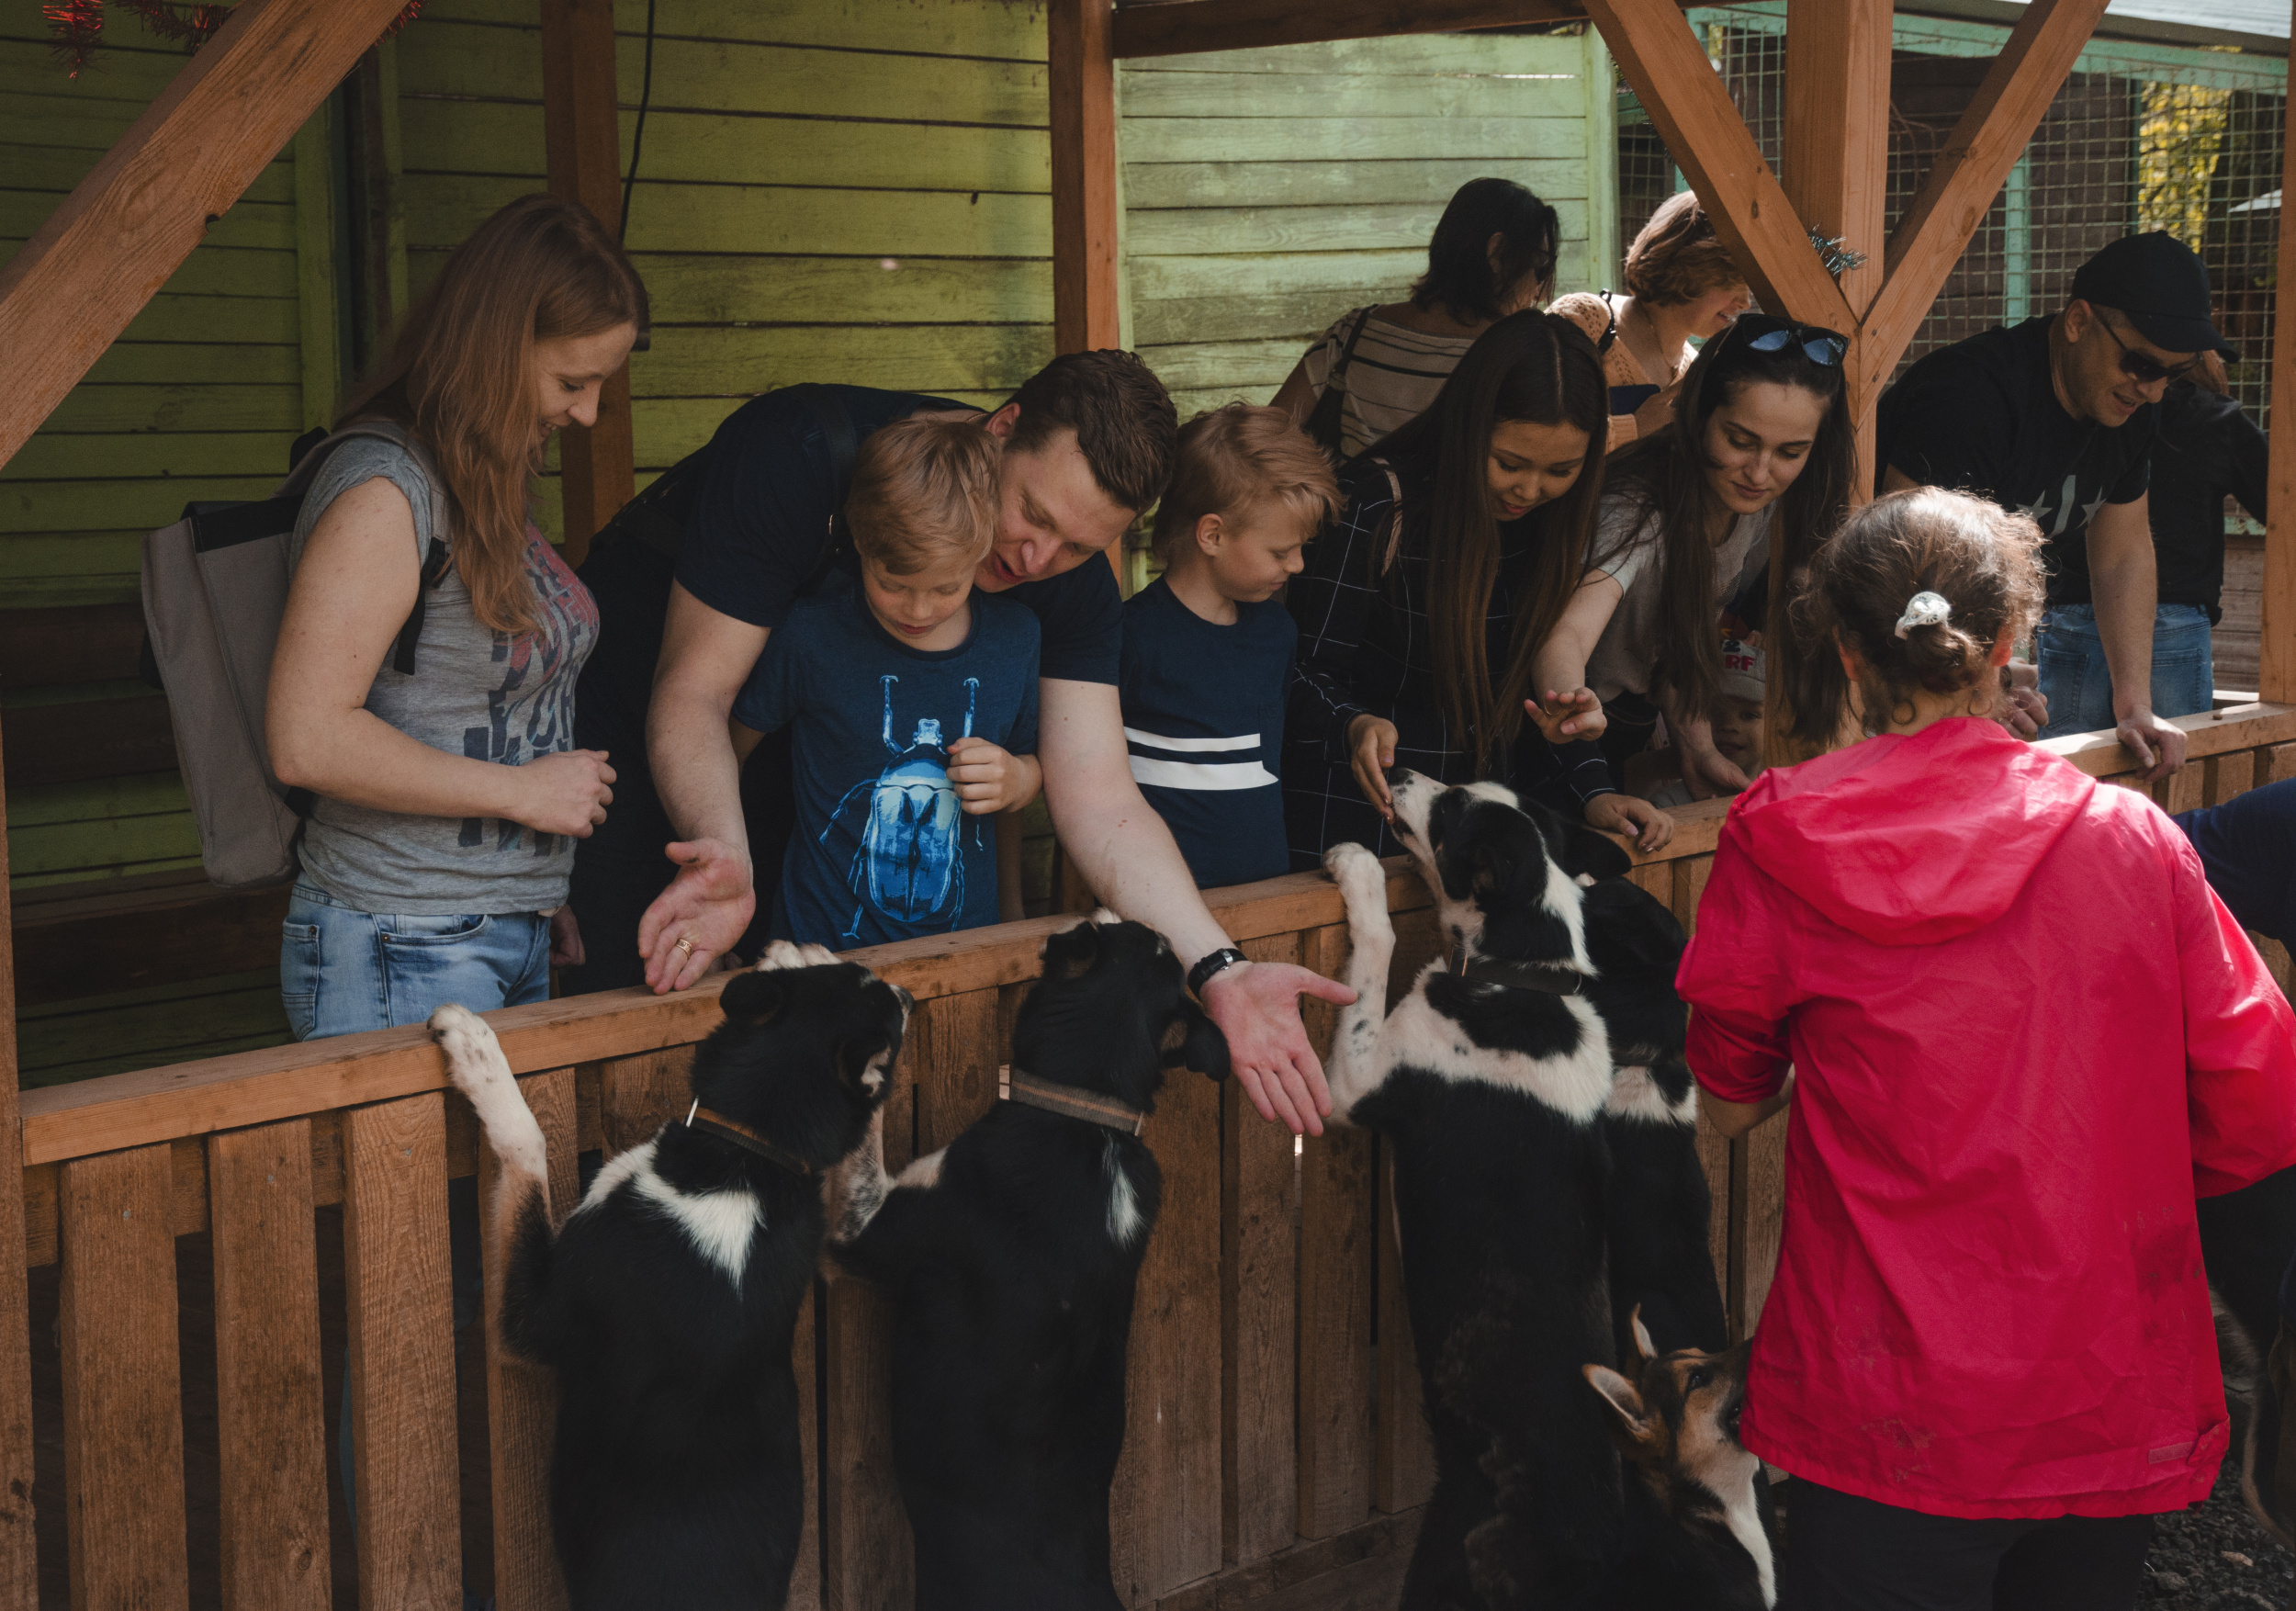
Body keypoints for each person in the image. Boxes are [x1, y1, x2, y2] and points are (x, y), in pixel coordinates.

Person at [1680, 485, 2296, 1611]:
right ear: (2008, 643)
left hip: (1883, 1396)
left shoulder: (1775, 833)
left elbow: (1725, 1101)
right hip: (2095, 1382)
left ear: (1849, 655)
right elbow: (2255, 1097)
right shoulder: (2131, 838)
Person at [573, 351, 1352, 1135]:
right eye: (1034, 516)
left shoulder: (1061, 585)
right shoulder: (800, 458)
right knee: (649, 969)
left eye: (1079, 548)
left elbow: (1102, 796)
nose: (1037, 560)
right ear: (1002, 429)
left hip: (836, 760)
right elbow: (697, 695)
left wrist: (1219, 967)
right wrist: (722, 851)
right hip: (667, 698)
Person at [268, 192, 641, 1039]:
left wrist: (531, 892)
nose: (585, 412)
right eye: (570, 381)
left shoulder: (483, 479)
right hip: (398, 936)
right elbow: (307, 735)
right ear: (498, 349)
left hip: (495, 931)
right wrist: (524, 796)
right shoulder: (384, 491)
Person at [1281, 310, 1671, 863]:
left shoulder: (1557, 523)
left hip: (1481, 845)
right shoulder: (1375, 505)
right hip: (1360, 832)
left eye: (1561, 470)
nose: (1530, 489)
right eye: (1509, 462)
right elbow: (1301, 666)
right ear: (1468, 425)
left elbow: (1546, 701)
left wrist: (1595, 791)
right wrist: (1353, 723)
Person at [1876, 231, 2241, 777]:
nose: (2154, 390)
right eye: (2141, 363)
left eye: (2173, 372)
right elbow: (1901, 559)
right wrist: (1979, 688)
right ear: (2077, 322)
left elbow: (2122, 553)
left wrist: (2134, 704)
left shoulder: (2132, 410)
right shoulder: (1971, 395)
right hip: (1847, 636)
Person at [729, 419, 1038, 948]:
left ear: (983, 547)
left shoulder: (1016, 641)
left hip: (966, 953)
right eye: (891, 583)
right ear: (857, 543)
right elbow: (728, 752)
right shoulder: (811, 635)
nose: (918, 610)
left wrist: (1019, 780)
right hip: (820, 951)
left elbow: (1028, 769)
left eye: (947, 587)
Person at [1528, 313, 1857, 806]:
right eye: (1741, 441)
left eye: (1790, 451)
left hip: (1628, 726)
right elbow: (1567, 631)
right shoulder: (1636, 510)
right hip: (1554, 736)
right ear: (1698, 412)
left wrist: (1697, 748)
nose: (1760, 472)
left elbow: (1675, 643)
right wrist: (1567, 700)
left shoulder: (1758, 509)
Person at [1121, 403, 1342, 890]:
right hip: (1156, 909)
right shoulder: (1130, 637)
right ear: (1213, 534)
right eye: (1281, 552)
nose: (1299, 565)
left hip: (1266, 897)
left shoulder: (1277, 632)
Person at [2042, 351, 2266, 724]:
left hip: (2074, 611)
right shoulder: (2215, 420)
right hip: (2170, 616)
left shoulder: (2080, 412)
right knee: (2168, 771)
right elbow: (2280, 505)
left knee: (2072, 774)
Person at [1268, 177, 1560, 462]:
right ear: (1496, 253)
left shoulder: (1355, 329)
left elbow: (1269, 431)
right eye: (1541, 268)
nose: (1542, 292)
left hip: (1355, 510)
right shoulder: (1514, 353)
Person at [1550, 189, 1753, 453]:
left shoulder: (1693, 368)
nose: (1745, 303)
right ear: (1690, 267)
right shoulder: (1588, 320)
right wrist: (1634, 426)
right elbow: (1534, 434)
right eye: (1732, 283)